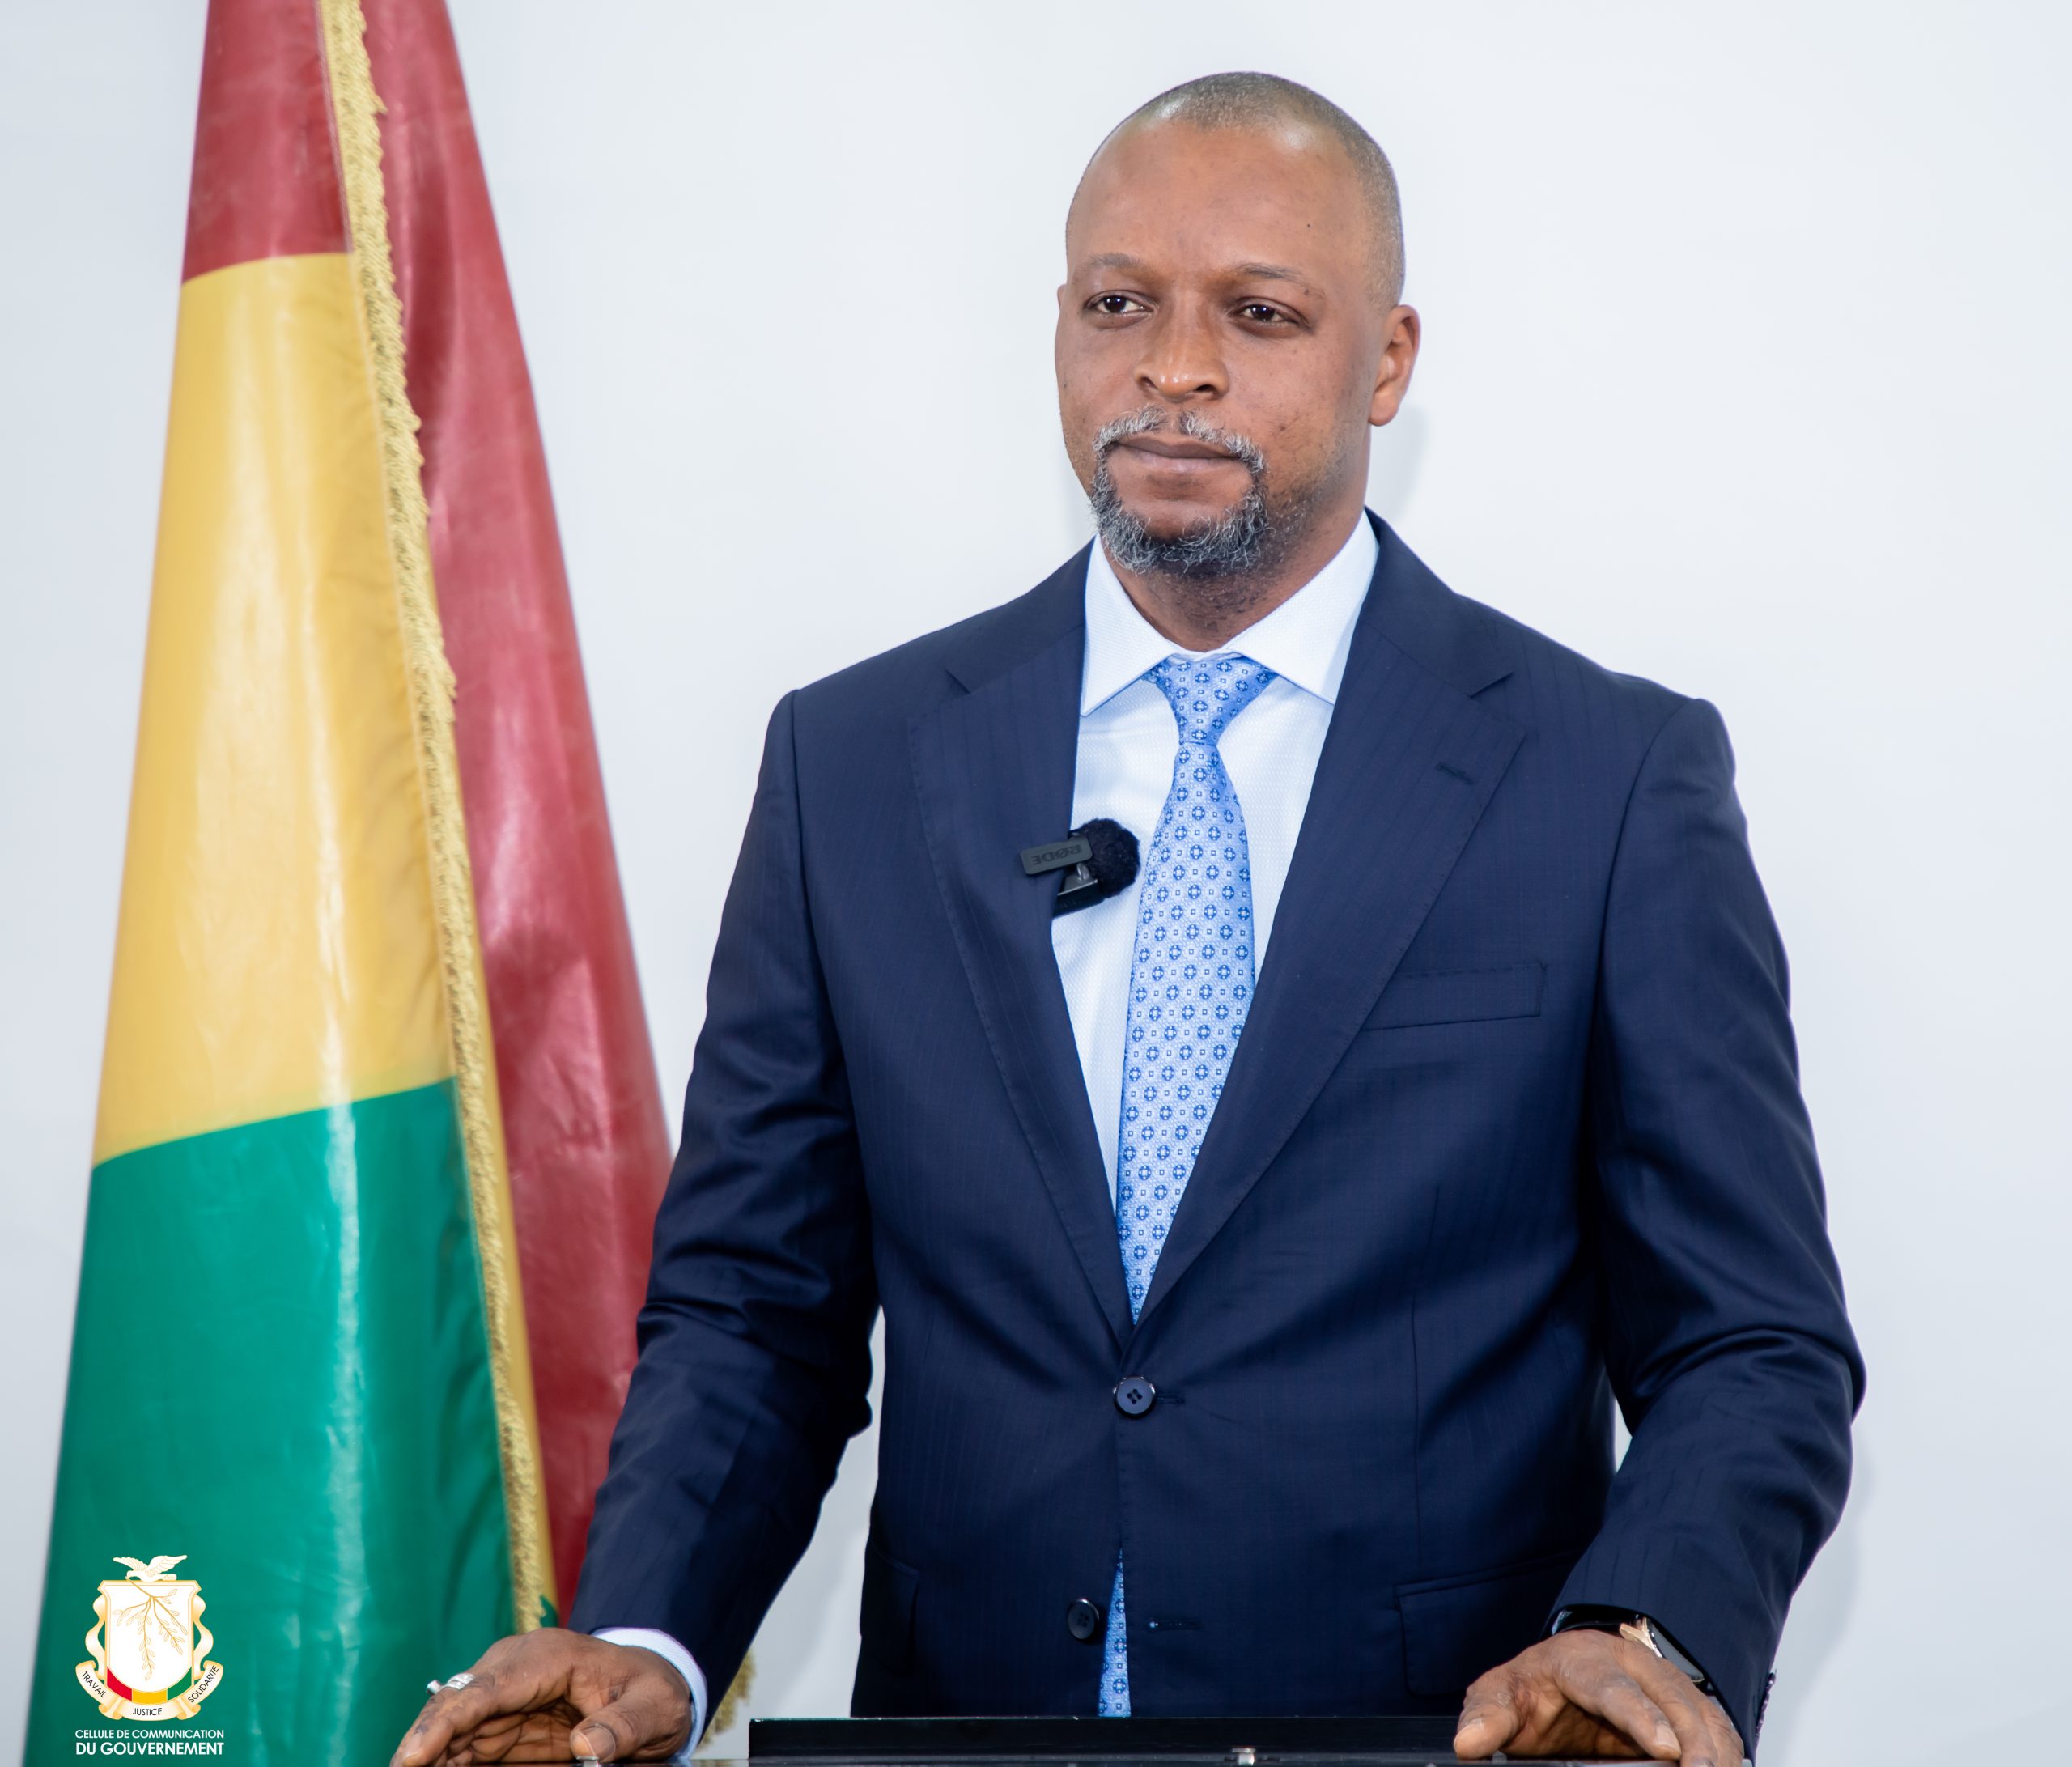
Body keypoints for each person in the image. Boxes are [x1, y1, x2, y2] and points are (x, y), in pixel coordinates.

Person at [393, 72, 1862, 1767]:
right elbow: (753, 1311)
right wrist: (647, 1628)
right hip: (965, 1731)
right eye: (1118, 305)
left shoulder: (1602, 778)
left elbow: (1747, 1338)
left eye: (1258, 313)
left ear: (1386, 361)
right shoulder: (853, 764)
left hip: (1435, 1741)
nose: (1174, 365)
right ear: (1058, 334)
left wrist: (1636, 1634)